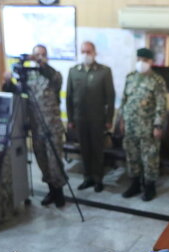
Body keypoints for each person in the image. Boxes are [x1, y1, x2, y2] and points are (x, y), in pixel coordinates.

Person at [118, 48, 167, 202]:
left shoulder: (157, 81)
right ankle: (134, 184)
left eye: (145, 60)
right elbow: (124, 100)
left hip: (148, 128)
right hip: (131, 126)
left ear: (151, 62)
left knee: (149, 158)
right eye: (139, 59)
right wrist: (121, 120)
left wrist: (158, 126)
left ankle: (149, 187)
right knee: (132, 155)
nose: (141, 63)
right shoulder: (130, 77)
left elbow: (161, 105)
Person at [66, 41, 115, 193]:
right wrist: (70, 119)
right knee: (85, 150)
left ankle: (98, 179)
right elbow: (69, 97)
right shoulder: (74, 71)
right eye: (83, 52)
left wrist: (109, 119)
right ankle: (87, 178)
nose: (86, 55)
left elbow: (110, 97)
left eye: (89, 51)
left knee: (97, 150)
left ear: (94, 53)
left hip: (97, 119)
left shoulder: (104, 72)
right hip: (80, 119)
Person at [27, 44, 67, 207]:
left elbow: (54, 79)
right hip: (37, 128)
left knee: (54, 161)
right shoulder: (29, 77)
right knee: (42, 160)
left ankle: (59, 193)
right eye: (37, 54)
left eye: (43, 54)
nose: (40, 57)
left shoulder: (54, 75)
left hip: (52, 127)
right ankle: (51, 190)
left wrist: (42, 64)